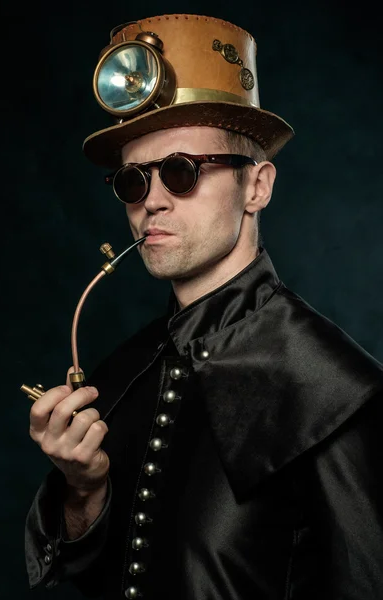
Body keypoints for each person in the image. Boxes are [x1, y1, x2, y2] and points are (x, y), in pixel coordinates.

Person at [25, 13, 383, 600]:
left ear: (257, 187)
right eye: (133, 182)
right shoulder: (122, 371)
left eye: (181, 172)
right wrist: (83, 494)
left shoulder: (337, 395)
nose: (153, 203)